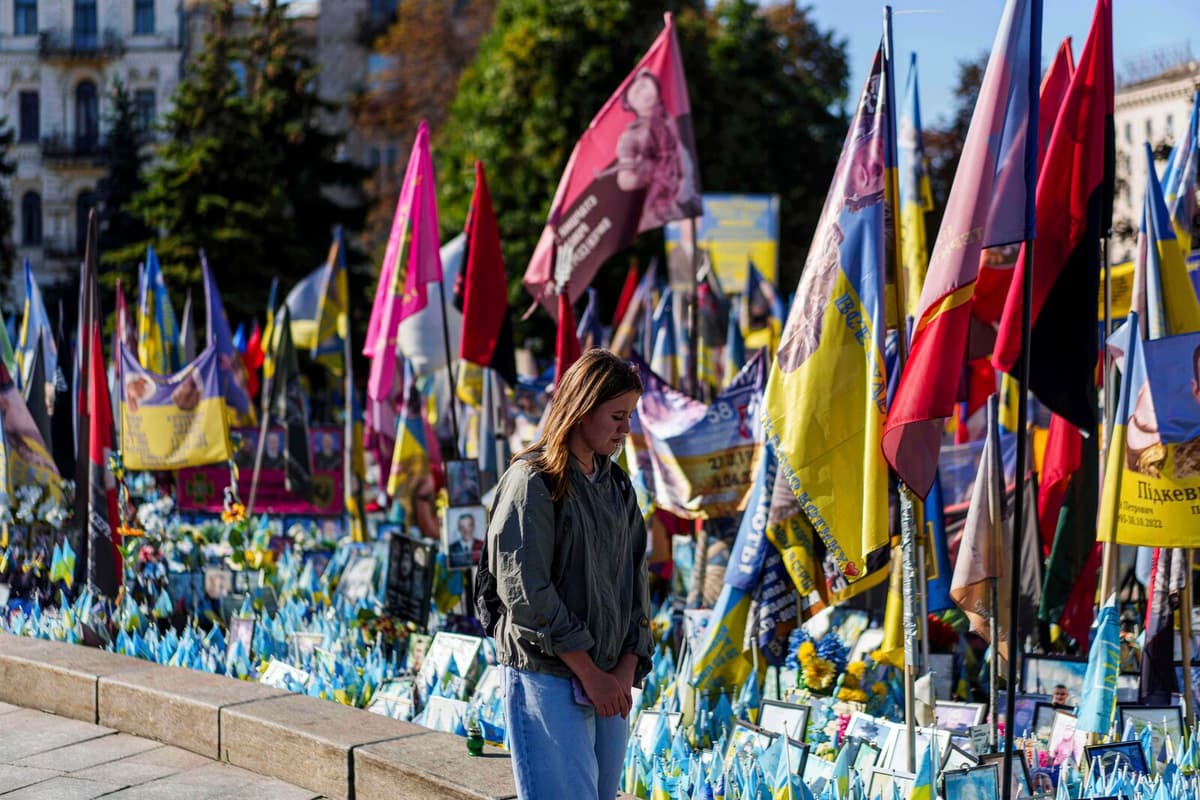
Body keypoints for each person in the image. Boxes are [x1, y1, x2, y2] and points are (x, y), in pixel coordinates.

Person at [487, 349, 653, 800]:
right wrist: (589, 672)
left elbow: (635, 582)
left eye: (630, 416)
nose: (626, 429)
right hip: (548, 675)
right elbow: (525, 592)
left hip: (609, 678)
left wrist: (624, 666)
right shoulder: (533, 482)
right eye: (617, 416)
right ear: (581, 410)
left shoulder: (617, 485)